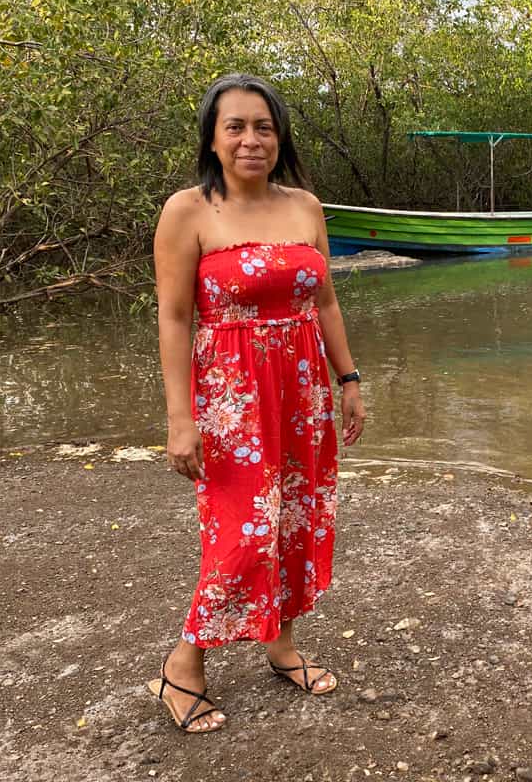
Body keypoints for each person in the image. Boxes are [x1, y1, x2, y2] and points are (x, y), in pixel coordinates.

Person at [149, 73, 366, 733]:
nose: (251, 139)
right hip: (232, 399)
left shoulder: (305, 205)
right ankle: (182, 667)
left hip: (302, 390)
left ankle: (281, 642)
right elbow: (175, 319)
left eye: (263, 126)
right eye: (235, 127)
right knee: (242, 532)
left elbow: (324, 299)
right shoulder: (188, 211)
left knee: (298, 519)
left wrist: (348, 379)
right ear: (213, 140)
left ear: (280, 137)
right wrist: (180, 419)